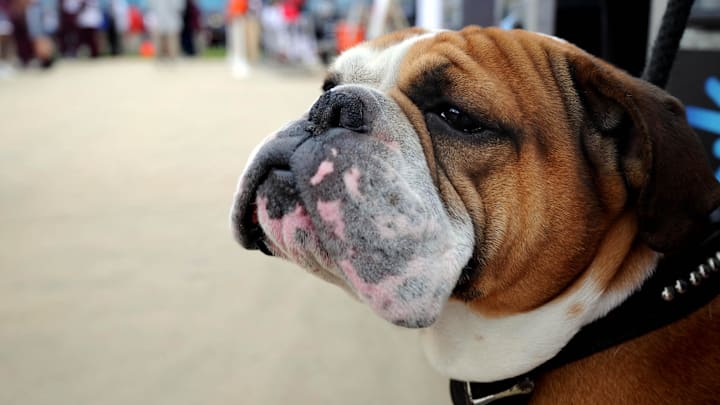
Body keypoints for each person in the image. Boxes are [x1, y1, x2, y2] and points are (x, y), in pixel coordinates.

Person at [226, 0, 248, 76]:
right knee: (236, 41)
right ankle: (237, 58)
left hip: (239, 15)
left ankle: (240, 59)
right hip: (236, 16)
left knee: (240, 41)